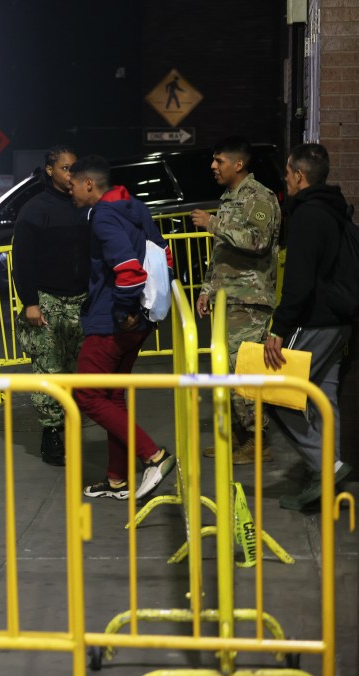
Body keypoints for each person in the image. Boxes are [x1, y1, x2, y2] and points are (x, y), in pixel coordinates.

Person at [68, 155, 175, 501]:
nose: (71, 191)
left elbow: (129, 269)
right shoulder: (135, 205)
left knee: (86, 394)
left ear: (89, 184)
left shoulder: (102, 215)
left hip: (112, 321)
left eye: (73, 185)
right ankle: (117, 480)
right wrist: (142, 309)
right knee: (112, 395)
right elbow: (164, 256)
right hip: (142, 319)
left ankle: (154, 456)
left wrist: (123, 310)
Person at [263, 143, 353, 510]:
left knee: (275, 394)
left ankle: (327, 466)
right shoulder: (335, 211)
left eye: (287, 172)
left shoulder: (306, 216)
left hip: (315, 320)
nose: (285, 178)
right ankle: (324, 483)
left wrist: (279, 328)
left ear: (299, 176)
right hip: (340, 321)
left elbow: (298, 282)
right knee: (324, 396)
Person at [192, 136, 281, 465]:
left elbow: (258, 241)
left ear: (238, 164)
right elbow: (223, 254)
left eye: (219, 161)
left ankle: (258, 441)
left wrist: (213, 223)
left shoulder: (259, 197)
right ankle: (238, 439)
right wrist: (206, 289)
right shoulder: (230, 198)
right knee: (227, 371)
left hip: (250, 300)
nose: (213, 167)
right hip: (229, 298)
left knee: (241, 370)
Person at [12, 145, 89, 466]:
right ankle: (52, 435)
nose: (71, 174)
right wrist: (30, 302)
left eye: (75, 168)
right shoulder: (35, 209)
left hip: (83, 302)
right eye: (65, 168)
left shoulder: (85, 206)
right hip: (47, 301)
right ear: (49, 170)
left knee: (78, 370)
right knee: (48, 370)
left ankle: (71, 428)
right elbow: (23, 260)